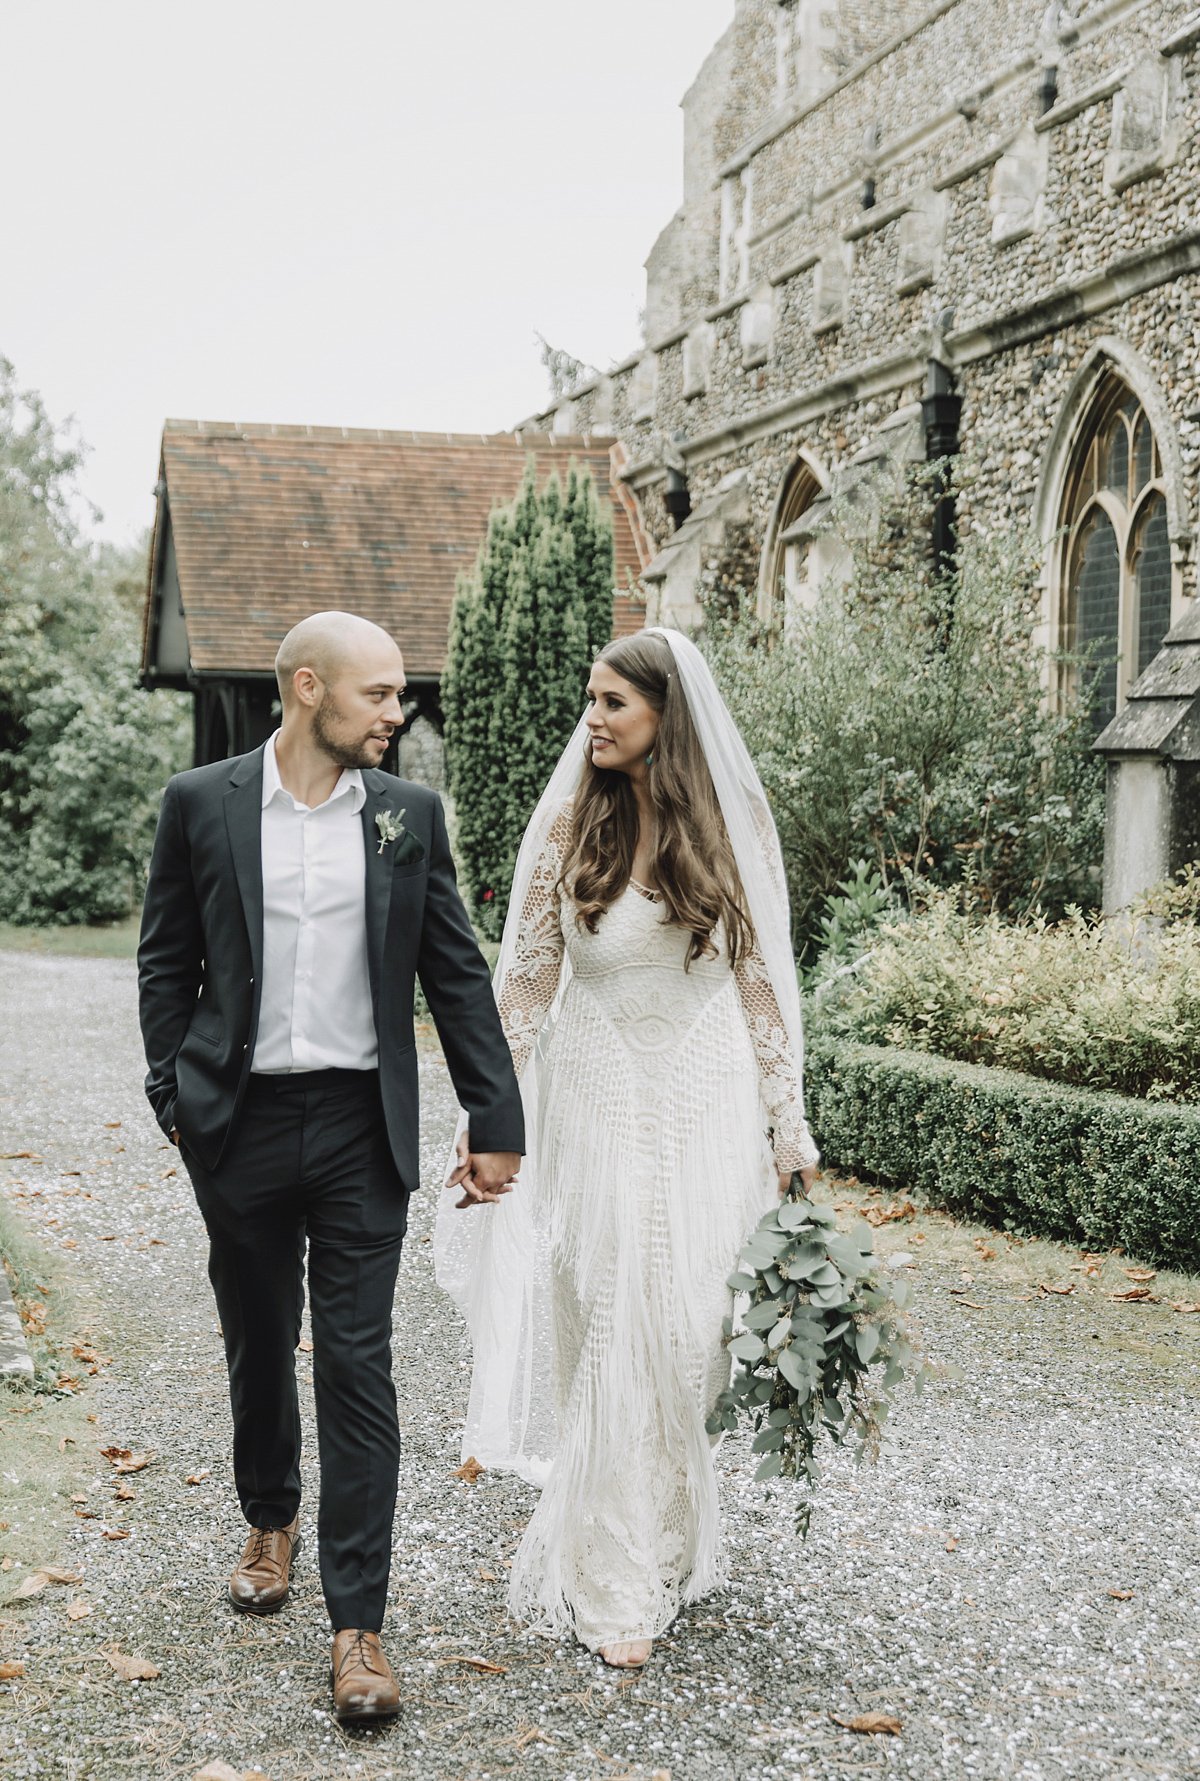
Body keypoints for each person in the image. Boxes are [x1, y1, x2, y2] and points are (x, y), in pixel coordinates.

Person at [138, 611, 523, 1720]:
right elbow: (167, 959)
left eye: (398, 695)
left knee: (358, 1363)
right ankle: (271, 1517)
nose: (398, 714)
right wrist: (176, 1098)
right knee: (259, 1336)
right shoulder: (199, 804)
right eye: (380, 695)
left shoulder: (408, 817)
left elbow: (455, 974)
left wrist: (495, 1116)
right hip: (239, 1124)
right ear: (309, 689)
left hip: (362, 1129)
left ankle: (360, 1627)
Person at [435, 626, 818, 1667]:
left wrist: (790, 1126)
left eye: (613, 704)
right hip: (597, 1080)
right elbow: (524, 984)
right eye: (592, 701)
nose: (592, 720)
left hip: (704, 1088)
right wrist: (488, 1116)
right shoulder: (571, 825)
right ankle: (611, 1577)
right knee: (611, 1300)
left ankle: (667, 1532)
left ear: (667, 718)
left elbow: (761, 986)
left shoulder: (735, 826)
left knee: (692, 1319)